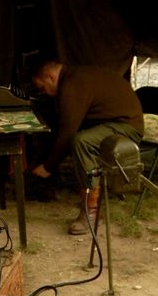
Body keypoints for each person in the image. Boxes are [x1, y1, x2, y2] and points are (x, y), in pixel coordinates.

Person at [30, 60, 144, 234]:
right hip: (114, 123)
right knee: (79, 138)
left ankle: (91, 212)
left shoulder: (72, 84)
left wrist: (48, 167)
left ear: (51, 77)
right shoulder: (74, 76)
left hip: (126, 128)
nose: (44, 93)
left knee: (82, 141)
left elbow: (68, 133)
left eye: (42, 88)